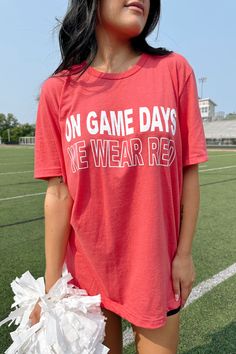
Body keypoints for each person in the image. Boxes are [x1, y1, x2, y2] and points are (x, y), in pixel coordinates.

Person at [30, 0, 209, 353]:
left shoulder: (174, 70)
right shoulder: (58, 90)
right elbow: (58, 194)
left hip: (154, 267)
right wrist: (52, 287)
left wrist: (184, 254)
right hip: (84, 275)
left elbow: (189, 172)